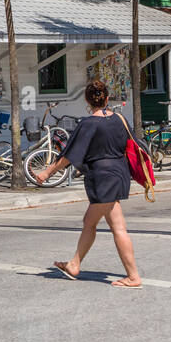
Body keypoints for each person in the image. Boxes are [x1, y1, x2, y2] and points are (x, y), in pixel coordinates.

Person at [32, 79, 142, 288]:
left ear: (87, 101)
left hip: (102, 178)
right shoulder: (120, 119)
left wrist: (47, 172)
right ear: (107, 99)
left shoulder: (88, 123)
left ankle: (133, 276)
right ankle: (74, 264)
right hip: (119, 174)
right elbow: (135, 144)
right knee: (90, 222)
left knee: (118, 228)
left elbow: (70, 155)